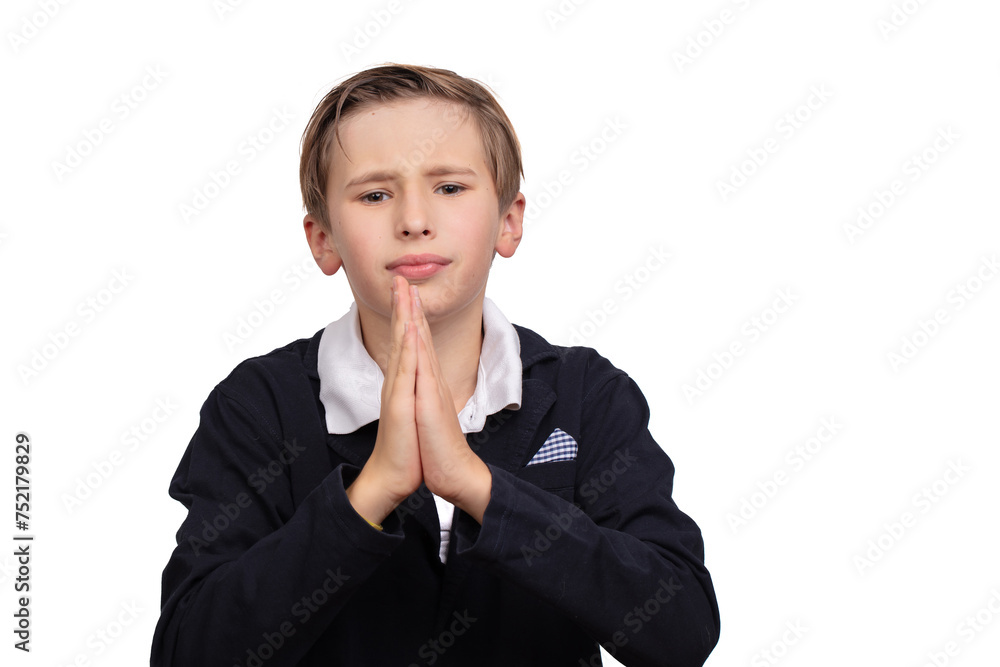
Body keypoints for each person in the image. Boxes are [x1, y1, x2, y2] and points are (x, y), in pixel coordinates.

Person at [150, 63, 720, 667]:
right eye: (374, 194)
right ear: (323, 240)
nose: (414, 220)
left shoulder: (587, 394)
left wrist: (477, 486)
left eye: (450, 188)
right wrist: (372, 491)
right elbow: (191, 651)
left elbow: (679, 631)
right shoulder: (258, 406)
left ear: (509, 220)